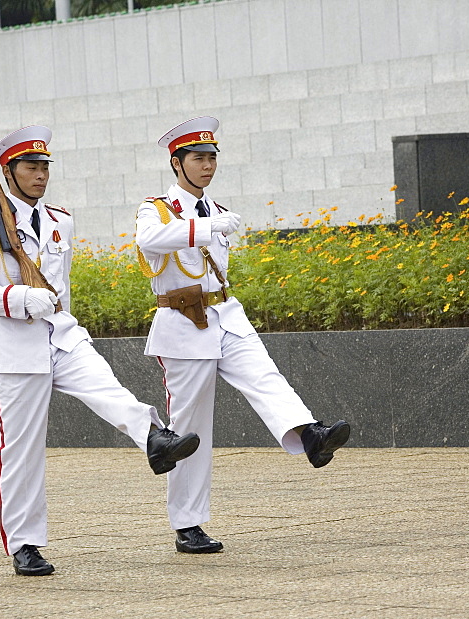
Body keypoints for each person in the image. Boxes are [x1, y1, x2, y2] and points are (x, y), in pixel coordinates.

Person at [0, 126, 200, 576]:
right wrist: (17, 299)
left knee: (107, 386)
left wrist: (49, 308)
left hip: (61, 333)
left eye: (44, 167)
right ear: (8, 172)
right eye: (30, 168)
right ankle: (25, 544)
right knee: (22, 450)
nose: (40, 175)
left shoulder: (59, 220)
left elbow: (61, 287)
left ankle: (154, 438)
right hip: (17, 346)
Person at [134, 117, 351, 554]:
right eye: (198, 158)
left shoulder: (215, 209)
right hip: (182, 322)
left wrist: (212, 222)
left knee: (265, 375)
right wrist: (206, 228)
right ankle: (188, 525)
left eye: (212, 158)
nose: (207, 166)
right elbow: (149, 240)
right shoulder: (156, 209)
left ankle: (309, 434)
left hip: (225, 313)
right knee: (191, 428)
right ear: (177, 163)